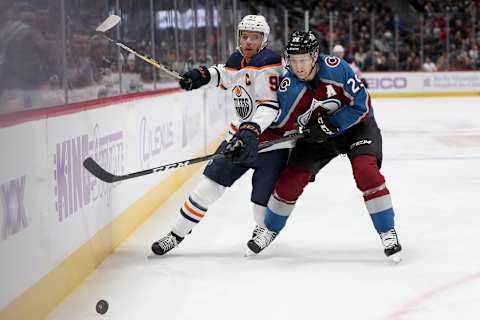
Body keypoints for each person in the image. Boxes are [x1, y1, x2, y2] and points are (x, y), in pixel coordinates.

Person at [247, 31, 403, 263]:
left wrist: (331, 124)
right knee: (290, 180)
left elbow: (361, 105)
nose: (298, 66)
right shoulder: (289, 85)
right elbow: (281, 124)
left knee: (366, 172)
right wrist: (250, 139)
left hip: (356, 128)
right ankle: (269, 229)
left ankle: (387, 231)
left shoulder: (337, 68)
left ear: (315, 56)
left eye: (303, 60)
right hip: (318, 137)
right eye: (293, 60)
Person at [151, 15, 291, 255]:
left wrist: (251, 130)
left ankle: (263, 229)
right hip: (238, 139)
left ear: (264, 39)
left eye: (254, 37)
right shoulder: (237, 59)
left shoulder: (270, 62)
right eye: (244, 36)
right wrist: (203, 75)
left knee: (261, 201)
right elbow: (225, 74)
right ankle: (176, 233)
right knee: (206, 188)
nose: (247, 41)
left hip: (270, 143)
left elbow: (270, 105)